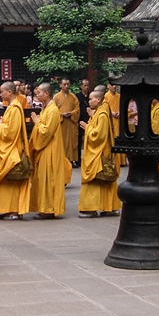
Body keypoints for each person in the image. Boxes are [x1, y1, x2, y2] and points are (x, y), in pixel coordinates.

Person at [0, 80, 31, 219]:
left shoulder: (15, 108)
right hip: (10, 149)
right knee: (8, 182)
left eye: (2, 92)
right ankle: (9, 209)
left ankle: (14, 210)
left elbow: (10, 133)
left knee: (12, 180)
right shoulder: (12, 107)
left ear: (9, 92)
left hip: (12, 150)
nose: (0, 94)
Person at [78, 89, 121, 217]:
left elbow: (99, 136)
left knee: (95, 180)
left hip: (98, 154)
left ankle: (91, 207)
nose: (89, 101)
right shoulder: (100, 112)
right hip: (98, 152)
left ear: (98, 100)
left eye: (91, 99)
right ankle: (109, 207)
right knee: (102, 181)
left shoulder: (102, 114)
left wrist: (87, 127)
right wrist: (92, 116)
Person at [29, 82, 67, 219]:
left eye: (39, 92)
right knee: (41, 178)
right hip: (44, 149)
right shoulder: (46, 108)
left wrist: (37, 122)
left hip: (50, 150)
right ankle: (43, 208)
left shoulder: (53, 110)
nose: (36, 94)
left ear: (46, 93)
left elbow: (46, 132)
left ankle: (49, 209)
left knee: (48, 179)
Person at [54, 78, 80, 166]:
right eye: (64, 84)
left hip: (71, 122)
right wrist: (61, 114)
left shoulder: (73, 97)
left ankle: (71, 160)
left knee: (72, 141)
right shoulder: (56, 97)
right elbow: (53, 110)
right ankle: (61, 160)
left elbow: (77, 109)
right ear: (60, 85)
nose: (66, 86)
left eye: (68, 84)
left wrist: (71, 113)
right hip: (61, 123)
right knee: (62, 141)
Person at [103, 83, 126, 168]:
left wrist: (120, 112)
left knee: (120, 137)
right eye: (112, 85)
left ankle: (121, 161)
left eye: (115, 85)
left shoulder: (119, 96)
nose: (114, 87)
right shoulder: (106, 96)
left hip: (119, 119)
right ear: (108, 86)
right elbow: (104, 107)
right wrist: (111, 112)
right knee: (112, 138)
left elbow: (124, 106)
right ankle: (112, 159)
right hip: (110, 119)